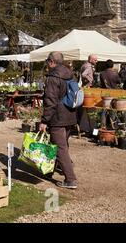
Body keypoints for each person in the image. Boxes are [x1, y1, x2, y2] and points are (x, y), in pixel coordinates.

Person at [39, 52, 78, 189]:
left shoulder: (53, 77)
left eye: (47, 61)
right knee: (62, 145)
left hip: (58, 117)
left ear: (51, 61)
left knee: (60, 148)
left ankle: (70, 179)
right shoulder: (70, 73)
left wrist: (44, 121)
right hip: (70, 115)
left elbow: (50, 101)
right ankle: (49, 170)